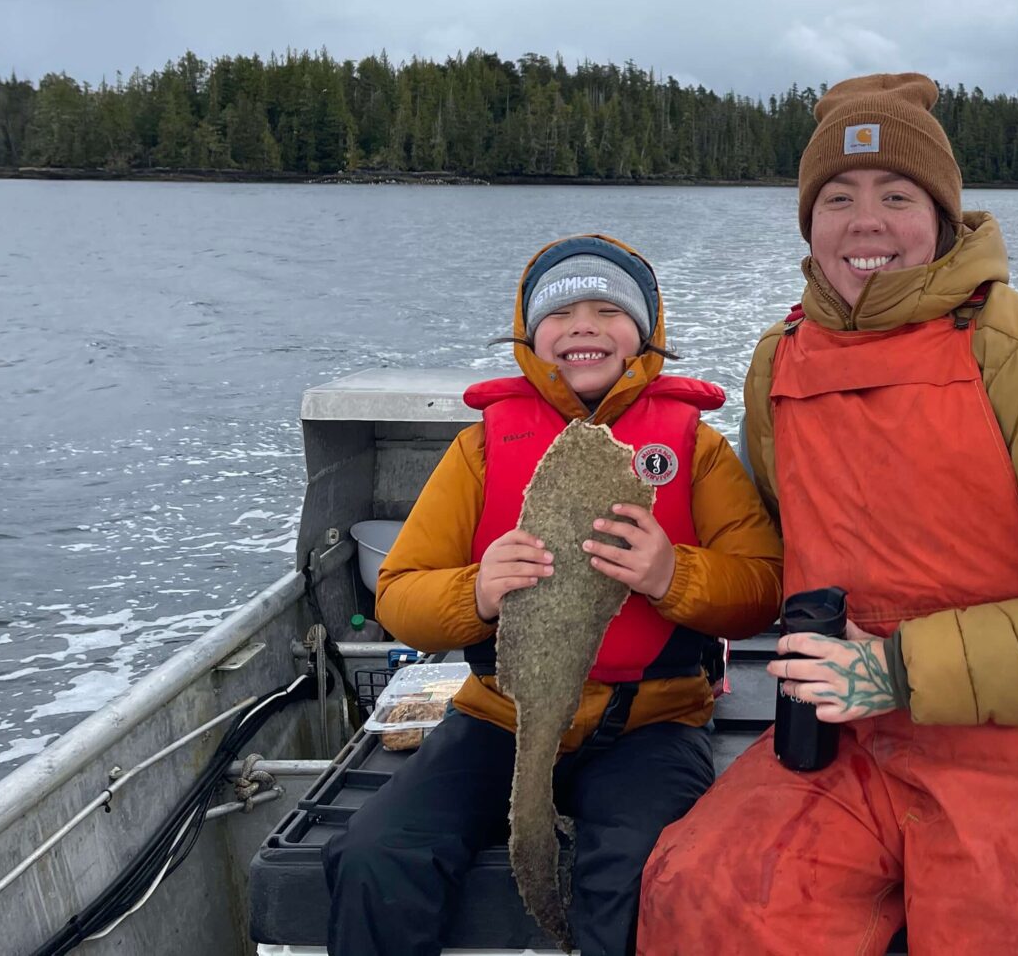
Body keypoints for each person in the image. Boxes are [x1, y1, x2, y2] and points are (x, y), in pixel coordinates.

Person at [640, 74, 1018, 955]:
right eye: (837, 198)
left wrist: (899, 668)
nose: (865, 222)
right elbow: (778, 556)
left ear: (941, 216)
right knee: (708, 892)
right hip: (853, 741)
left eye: (896, 195)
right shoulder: (776, 365)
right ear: (809, 222)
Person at [325, 234, 783, 956]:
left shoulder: (695, 449)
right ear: (531, 335)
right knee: (376, 853)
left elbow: (762, 587)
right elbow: (398, 594)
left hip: (650, 727)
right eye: (561, 312)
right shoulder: (480, 447)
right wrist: (474, 590)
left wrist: (674, 574)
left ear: (646, 332)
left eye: (609, 309)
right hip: (498, 719)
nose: (584, 326)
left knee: (643, 876)